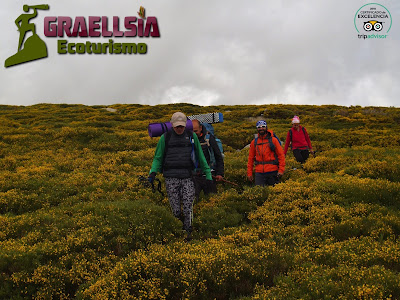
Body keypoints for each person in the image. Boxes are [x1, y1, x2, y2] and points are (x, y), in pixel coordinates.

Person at [148, 112, 212, 241]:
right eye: (177, 126)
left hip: (188, 176)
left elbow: (201, 156)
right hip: (170, 177)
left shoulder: (191, 136)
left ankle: (188, 232)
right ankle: (177, 231)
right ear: (172, 125)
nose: (179, 128)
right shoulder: (165, 138)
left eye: (181, 126)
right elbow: (158, 157)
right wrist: (153, 172)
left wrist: (208, 174)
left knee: (188, 206)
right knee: (176, 209)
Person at [191, 119, 224, 200]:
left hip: (210, 174)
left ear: (201, 128)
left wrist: (220, 173)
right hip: (195, 175)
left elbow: (218, 156)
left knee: (212, 199)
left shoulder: (209, 139)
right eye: (192, 131)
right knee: (193, 200)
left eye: (196, 131)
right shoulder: (189, 139)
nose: (194, 133)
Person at [247, 120, 285, 186]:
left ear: (266, 127)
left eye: (263, 126)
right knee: (260, 193)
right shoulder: (254, 142)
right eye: (259, 127)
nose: (261, 128)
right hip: (259, 173)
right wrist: (249, 173)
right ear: (257, 129)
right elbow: (251, 158)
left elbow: (281, 155)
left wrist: (281, 170)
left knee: (273, 193)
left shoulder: (273, 140)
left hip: (273, 171)